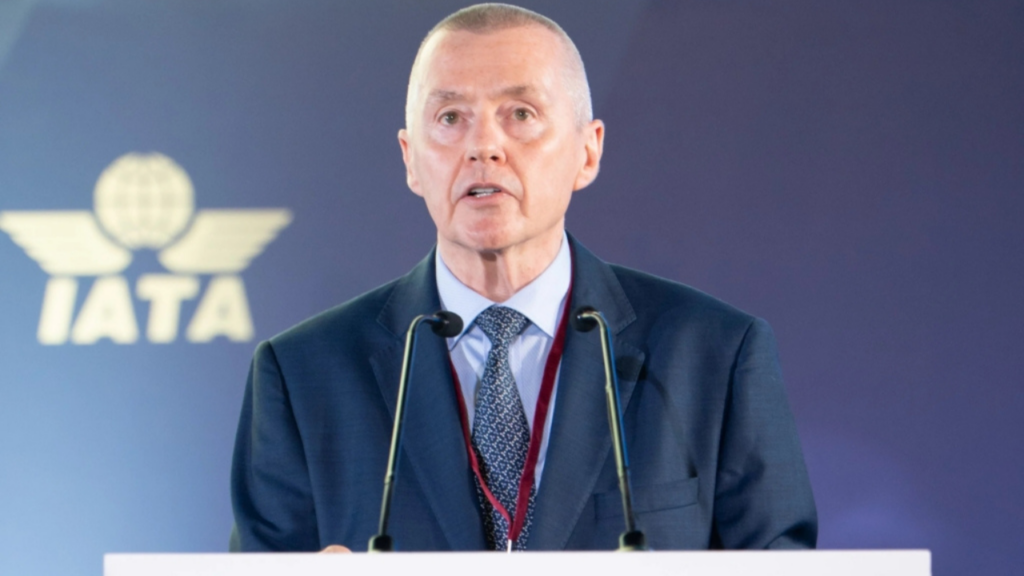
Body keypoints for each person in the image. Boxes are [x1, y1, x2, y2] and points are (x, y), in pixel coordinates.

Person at [230, 3, 816, 553]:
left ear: (588, 151)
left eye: (521, 114)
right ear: (410, 159)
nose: (484, 146)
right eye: (451, 118)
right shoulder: (303, 375)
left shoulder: (713, 354)